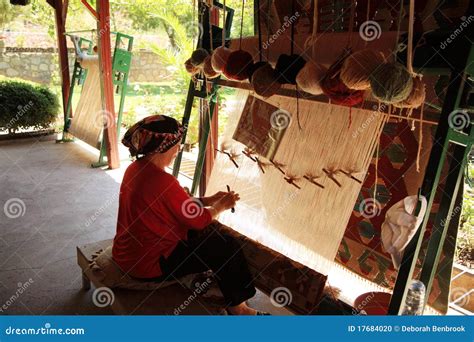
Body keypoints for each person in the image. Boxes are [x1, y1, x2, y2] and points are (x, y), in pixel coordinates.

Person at [112, 115, 265, 315]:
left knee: (205, 238)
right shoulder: (163, 181)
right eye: (177, 146)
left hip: (126, 254)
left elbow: (174, 205)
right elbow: (200, 221)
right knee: (226, 246)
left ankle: (213, 281)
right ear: (164, 148)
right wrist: (221, 206)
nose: (177, 151)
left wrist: (208, 200)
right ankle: (239, 309)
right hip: (149, 266)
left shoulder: (134, 169)